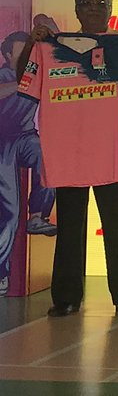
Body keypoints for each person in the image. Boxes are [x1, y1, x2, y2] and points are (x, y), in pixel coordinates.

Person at [16, 0, 118, 316]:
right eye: (87, 2)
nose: (94, 7)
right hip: (68, 144)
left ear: (111, 9)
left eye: (101, 2)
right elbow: (25, 78)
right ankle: (66, 297)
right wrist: (31, 46)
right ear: (77, 9)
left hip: (111, 143)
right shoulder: (50, 47)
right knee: (70, 221)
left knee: (117, 221)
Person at [0, 30, 58, 297]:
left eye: (28, 52)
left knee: (49, 156)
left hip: (25, 138)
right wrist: (24, 82)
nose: (25, 57)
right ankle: (1, 272)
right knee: (10, 212)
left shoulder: (36, 73)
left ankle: (37, 216)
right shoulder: (5, 76)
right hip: (2, 143)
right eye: (20, 52)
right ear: (8, 54)